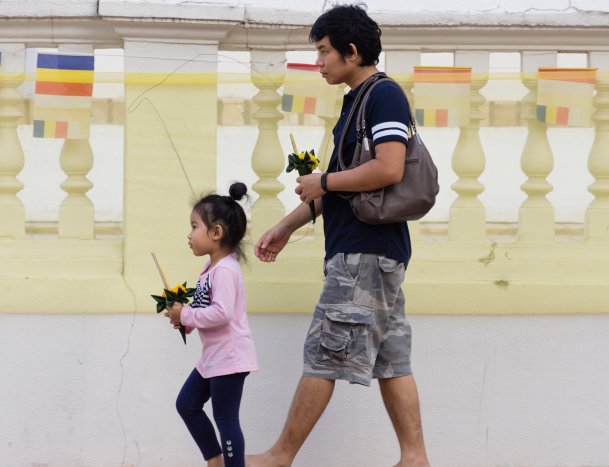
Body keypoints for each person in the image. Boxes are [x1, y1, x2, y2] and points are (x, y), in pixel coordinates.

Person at [249, 3, 430, 467]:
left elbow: (388, 167)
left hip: (363, 255)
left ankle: (280, 456)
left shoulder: (383, 95)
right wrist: (286, 226)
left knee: (323, 353)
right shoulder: (358, 101)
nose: (319, 62)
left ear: (352, 51)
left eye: (325, 51)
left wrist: (324, 181)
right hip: (374, 253)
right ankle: (415, 458)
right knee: (392, 360)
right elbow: (340, 183)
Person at [165, 182, 258, 467]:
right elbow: (207, 309)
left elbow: (222, 313)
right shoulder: (210, 269)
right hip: (213, 357)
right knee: (187, 404)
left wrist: (187, 315)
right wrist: (186, 321)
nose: (189, 235)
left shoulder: (226, 271)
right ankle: (215, 460)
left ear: (216, 232)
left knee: (225, 418)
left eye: (194, 226)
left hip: (229, 357)